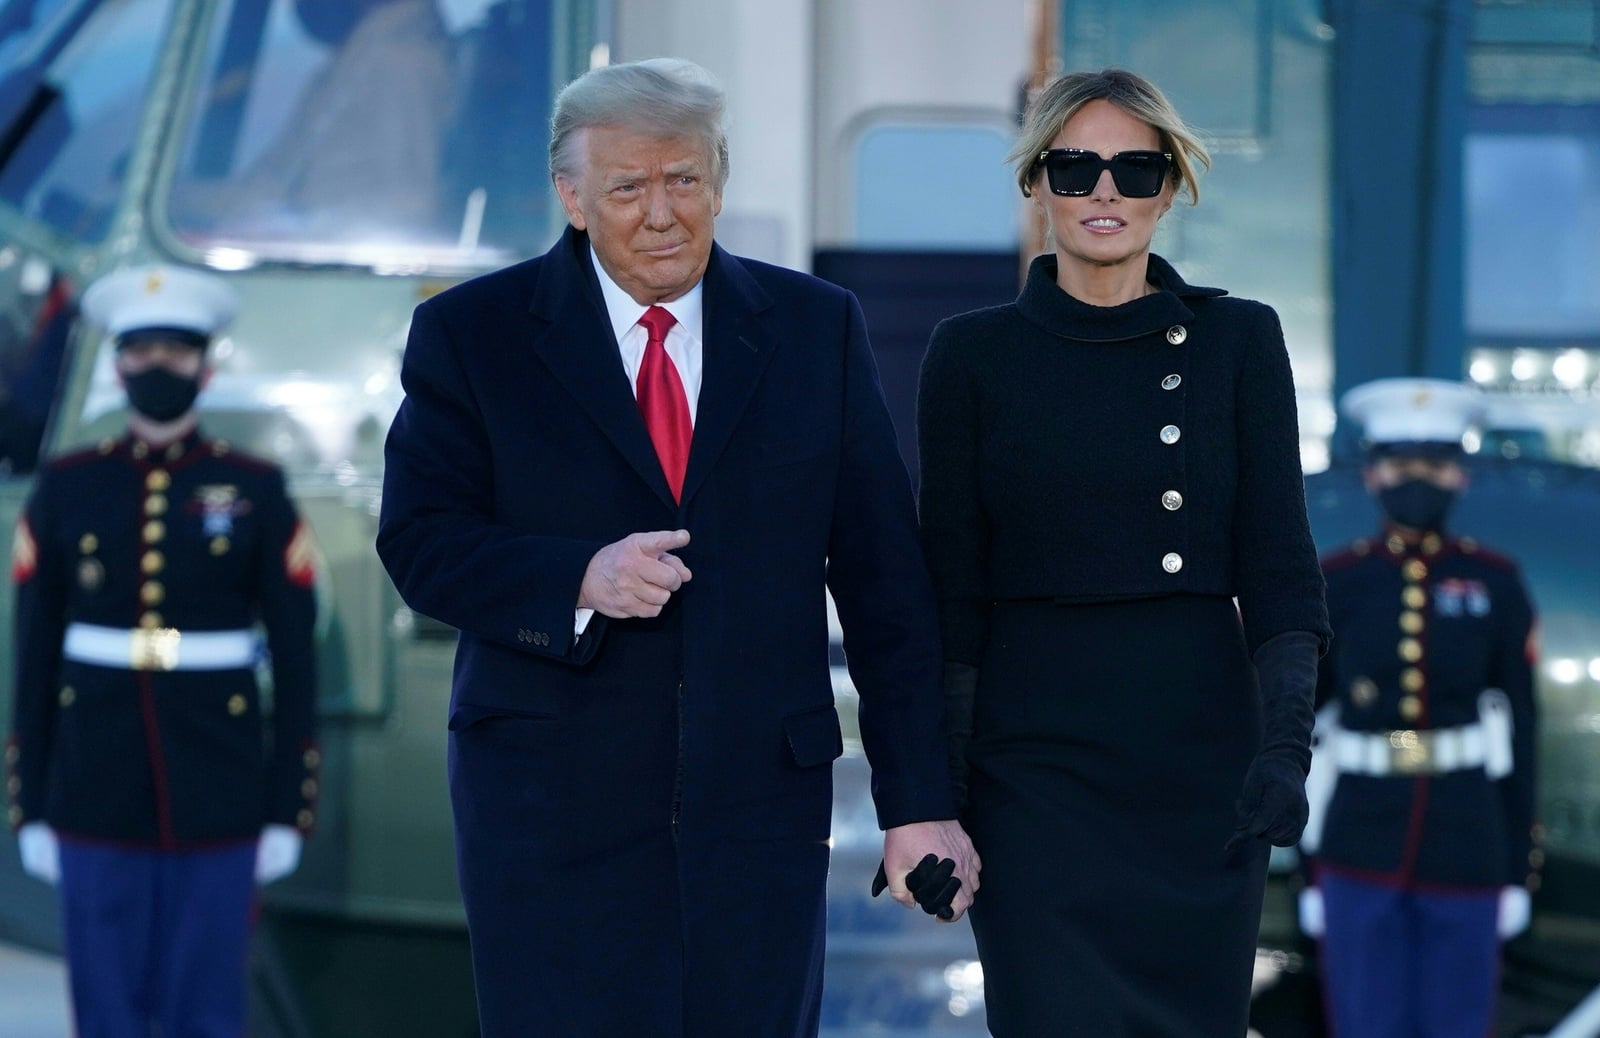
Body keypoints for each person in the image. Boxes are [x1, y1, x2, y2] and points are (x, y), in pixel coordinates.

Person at [375, 58, 978, 1036]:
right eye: (627, 188)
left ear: (718, 179)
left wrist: (918, 802)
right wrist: (578, 576)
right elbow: (420, 542)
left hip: (757, 817)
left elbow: (883, 584)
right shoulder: (470, 336)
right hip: (548, 812)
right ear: (572, 198)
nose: (661, 213)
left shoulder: (814, 329)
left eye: (683, 180)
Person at [916, 68, 1331, 1036]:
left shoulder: (1237, 338)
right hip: (1033, 766)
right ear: (1038, 184)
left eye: (1134, 169)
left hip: (1194, 761)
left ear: (1171, 186)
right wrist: (933, 795)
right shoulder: (971, 352)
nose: (1105, 191)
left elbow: (1278, 565)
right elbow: (949, 590)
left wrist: (1283, 746)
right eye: (1076, 166)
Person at [4, 264, 320, 1038]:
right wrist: (31, 803)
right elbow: (34, 656)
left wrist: (287, 809)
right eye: (140, 352)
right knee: (106, 1001)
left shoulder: (254, 488)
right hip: (93, 780)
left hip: (218, 781)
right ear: (117, 364)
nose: (156, 369)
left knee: (207, 1002)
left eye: (175, 353)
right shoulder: (69, 486)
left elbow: (295, 658)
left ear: (205, 367)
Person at [1300, 377, 1539, 1037]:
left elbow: (1523, 734)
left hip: (1467, 840)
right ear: (1374, 475)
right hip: (1356, 842)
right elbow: (1300, 732)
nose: (1418, 480)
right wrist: (1308, 875)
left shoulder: (1495, 580)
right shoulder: (1339, 581)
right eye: (1402, 465)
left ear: (1459, 477)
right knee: (1363, 1022)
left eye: (1434, 466)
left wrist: (1518, 869)